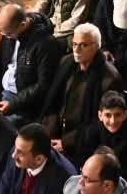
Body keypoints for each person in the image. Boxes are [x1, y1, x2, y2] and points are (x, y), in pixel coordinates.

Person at [39, 22, 122, 161]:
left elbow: (102, 123)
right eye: (74, 44)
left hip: (81, 143)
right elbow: (53, 102)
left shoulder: (109, 78)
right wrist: (48, 133)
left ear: (97, 46)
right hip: (56, 132)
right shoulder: (66, 62)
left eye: (83, 45)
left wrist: (66, 143)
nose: (76, 50)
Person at [0, 5, 58, 120]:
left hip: (22, 103)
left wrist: (13, 104)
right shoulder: (9, 31)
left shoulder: (46, 43)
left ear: (23, 24)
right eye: (3, 34)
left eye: (9, 34)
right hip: (2, 91)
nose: (7, 37)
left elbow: (43, 85)